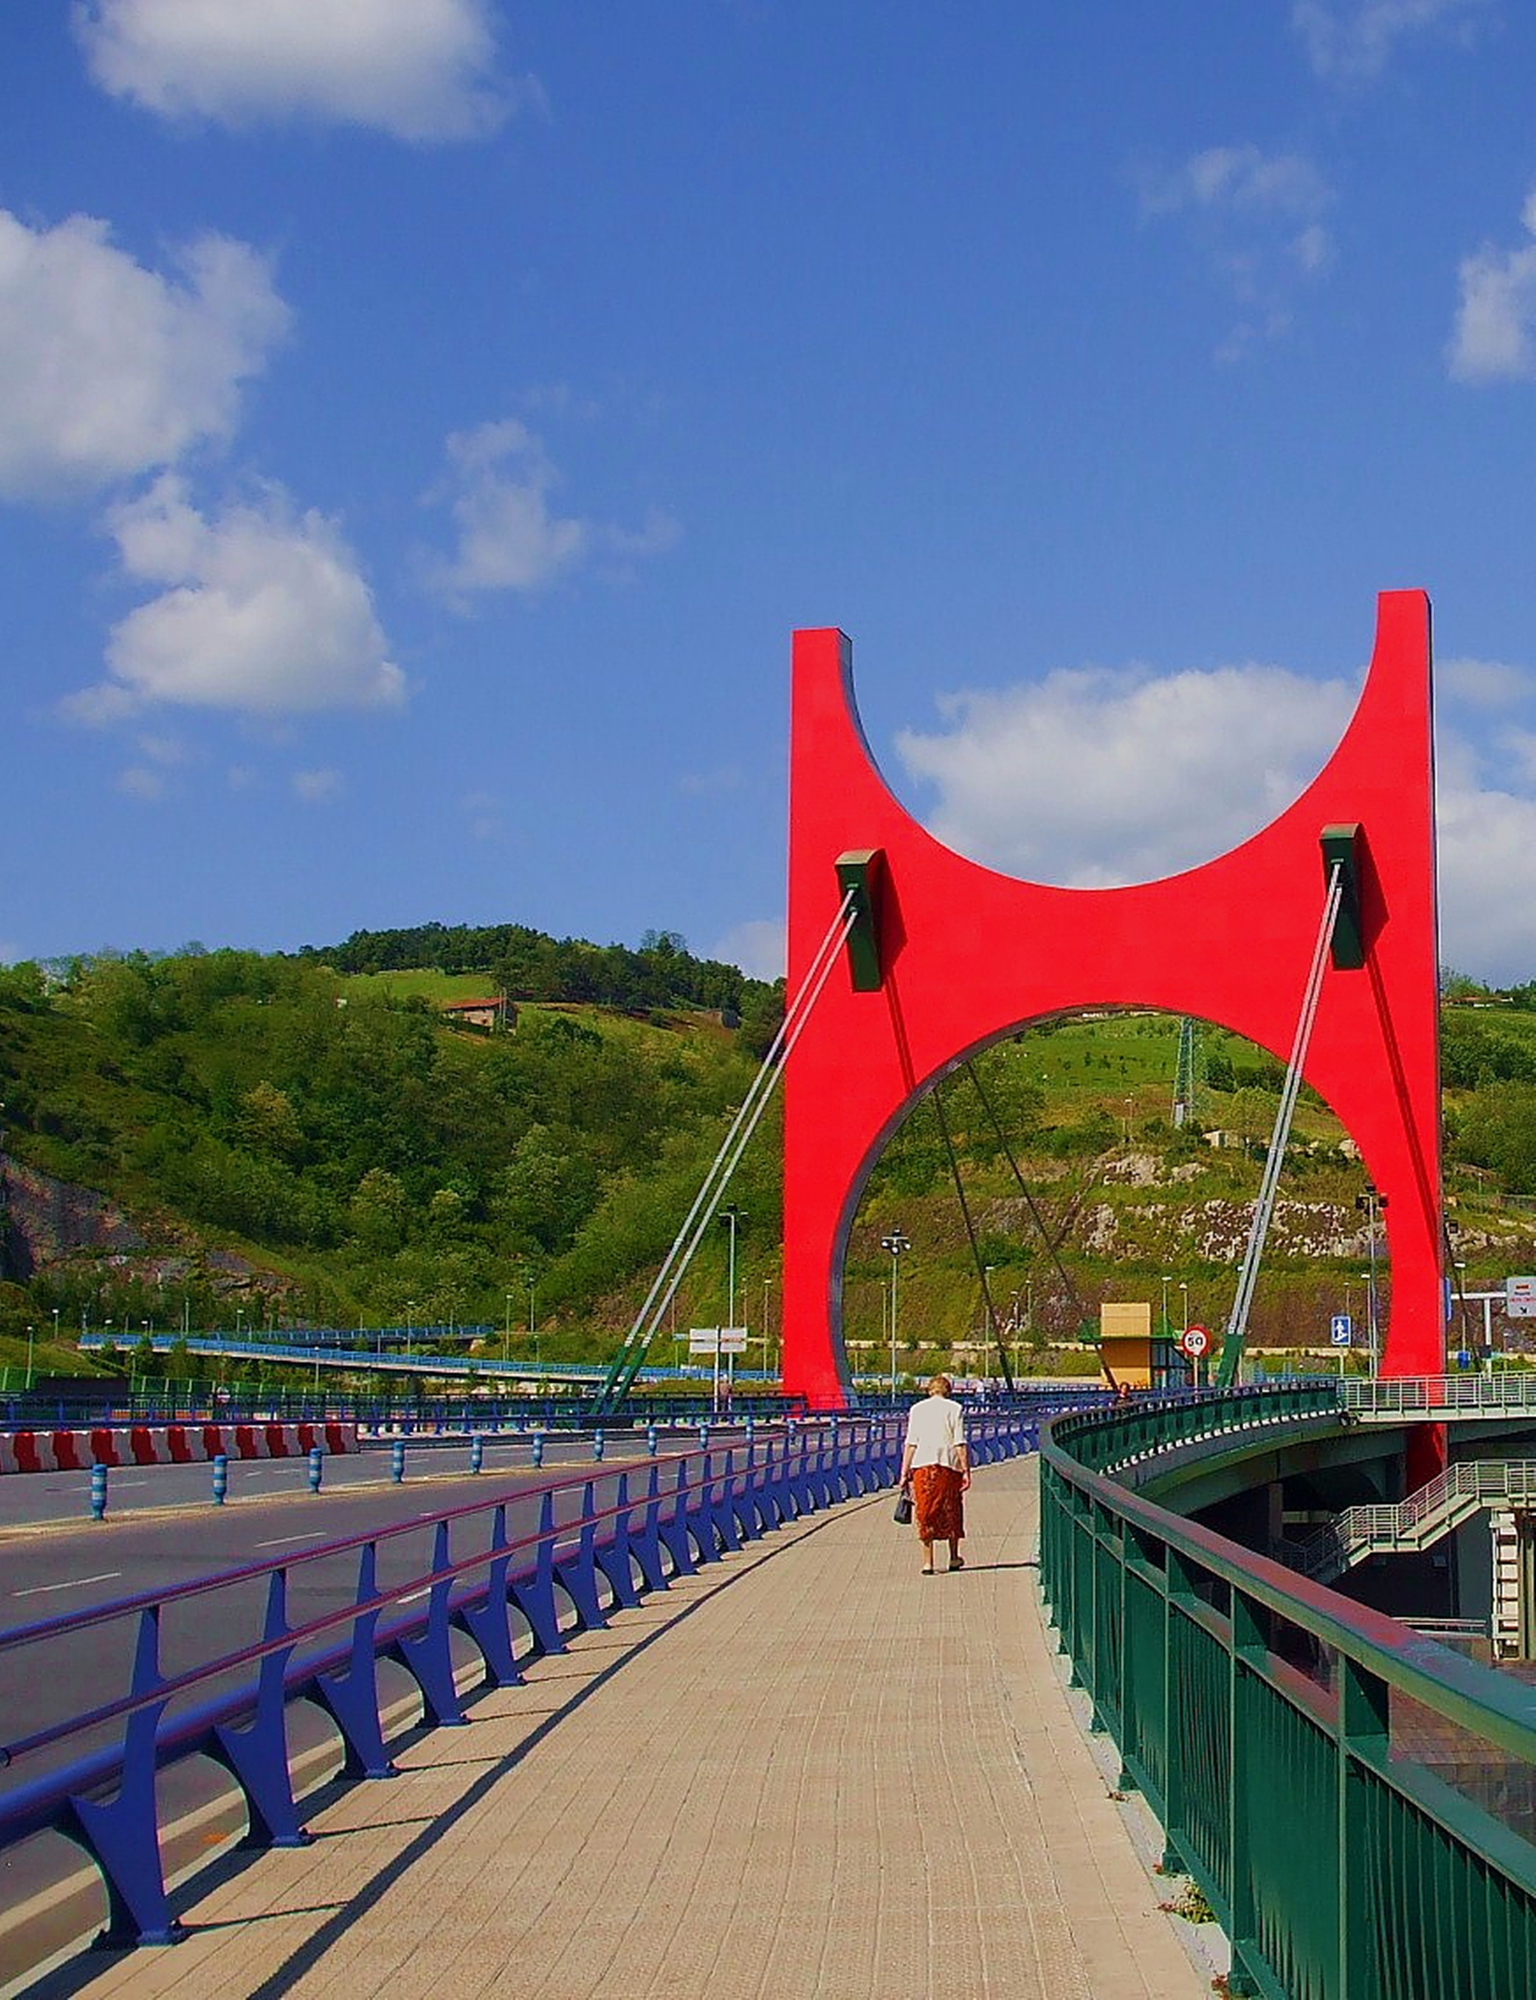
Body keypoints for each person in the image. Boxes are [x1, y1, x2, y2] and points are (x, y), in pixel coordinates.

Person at [898, 1373, 970, 1574]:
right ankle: (954, 1557)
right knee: (951, 1510)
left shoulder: (917, 1410)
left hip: (922, 1467)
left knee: (926, 1512)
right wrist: (966, 1470)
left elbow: (911, 1444)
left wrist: (904, 1473)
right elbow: (959, 1442)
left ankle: (928, 1562)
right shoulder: (955, 1409)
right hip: (949, 1467)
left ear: (929, 1390)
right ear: (948, 1391)